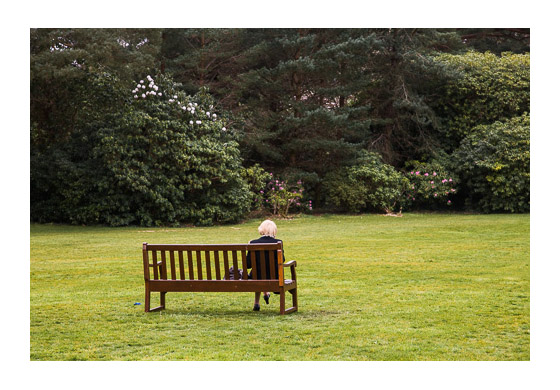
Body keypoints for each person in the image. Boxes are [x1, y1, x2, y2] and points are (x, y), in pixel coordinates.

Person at [247, 219, 285, 311]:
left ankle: (257, 302)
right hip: (275, 277)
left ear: (261, 229)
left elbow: (248, 264)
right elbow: (282, 260)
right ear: (274, 230)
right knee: (264, 273)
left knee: (258, 273)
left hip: (257, 277)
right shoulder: (278, 242)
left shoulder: (253, 243)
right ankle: (266, 294)